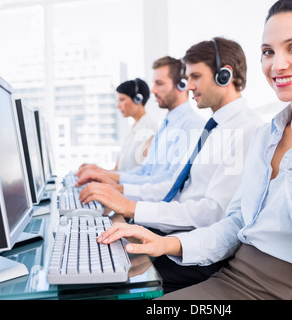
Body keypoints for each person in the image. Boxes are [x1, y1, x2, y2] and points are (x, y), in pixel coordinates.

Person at [96, 0, 292, 300]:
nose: (276, 65)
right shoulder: (267, 133)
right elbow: (238, 222)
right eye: (268, 52)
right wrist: (169, 244)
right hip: (235, 275)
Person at [80, 37, 263, 292]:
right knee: (98, 253)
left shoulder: (247, 130)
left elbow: (213, 214)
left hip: (199, 249)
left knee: (112, 284)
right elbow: (176, 188)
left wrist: (132, 207)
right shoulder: (214, 127)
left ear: (224, 75)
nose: (189, 87)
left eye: (196, 77)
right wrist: (131, 207)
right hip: (179, 231)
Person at [76, 56, 205, 186]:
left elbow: (168, 182)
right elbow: (145, 171)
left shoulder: (192, 126)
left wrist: (118, 188)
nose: (153, 90)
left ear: (182, 85)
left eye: (159, 83)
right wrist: (102, 175)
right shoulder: (166, 124)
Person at [114, 78, 158, 171]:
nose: (118, 105)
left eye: (122, 100)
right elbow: (117, 170)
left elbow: (147, 172)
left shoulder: (150, 127)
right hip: (119, 183)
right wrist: (94, 170)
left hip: (131, 184)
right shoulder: (130, 129)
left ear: (138, 99)